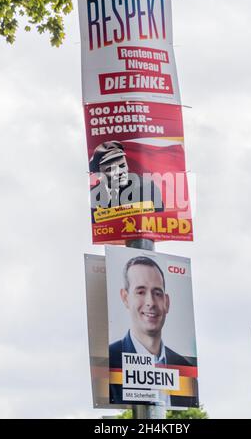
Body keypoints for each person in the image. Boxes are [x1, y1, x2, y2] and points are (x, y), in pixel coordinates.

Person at [109, 256, 198, 407]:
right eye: (141, 292)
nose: (150, 302)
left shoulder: (185, 368)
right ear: (125, 298)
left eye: (157, 293)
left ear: (167, 302)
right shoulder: (109, 361)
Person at [89, 141, 164, 219]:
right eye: (111, 169)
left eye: (122, 165)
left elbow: (158, 219)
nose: (120, 172)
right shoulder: (93, 196)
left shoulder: (146, 187)